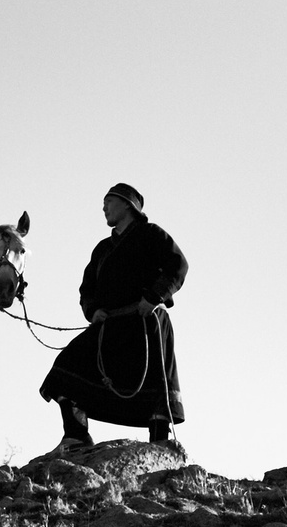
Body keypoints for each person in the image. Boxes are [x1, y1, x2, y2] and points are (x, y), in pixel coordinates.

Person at [38, 182, 187, 451]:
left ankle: (159, 446)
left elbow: (178, 265)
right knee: (64, 368)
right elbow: (87, 289)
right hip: (111, 326)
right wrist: (93, 310)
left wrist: (153, 297)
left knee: (155, 384)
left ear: (128, 205)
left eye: (109, 201)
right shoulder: (103, 249)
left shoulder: (150, 234)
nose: (104, 207)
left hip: (146, 322)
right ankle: (77, 436)